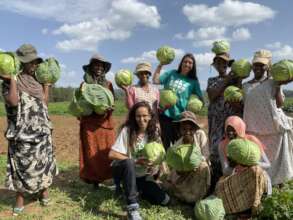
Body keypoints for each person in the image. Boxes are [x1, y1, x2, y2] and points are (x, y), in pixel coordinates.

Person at [1, 44, 58, 215]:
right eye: (30, 62)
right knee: (22, 164)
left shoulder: (37, 82)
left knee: (44, 161)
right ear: (22, 63)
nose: (34, 65)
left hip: (41, 129)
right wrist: (11, 79)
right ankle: (20, 197)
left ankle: (44, 190)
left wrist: (46, 85)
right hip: (22, 132)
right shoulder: (12, 80)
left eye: (35, 62)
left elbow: (44, 104)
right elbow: (13, 102)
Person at [109, 101, 170, 220]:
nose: (141, 119)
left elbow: (160, 153)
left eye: (145, 116)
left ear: (150, 116)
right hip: (123, 171)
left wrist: (156, 164)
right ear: (134, 117)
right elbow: (112, 154)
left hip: (142, 176)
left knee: (164, 200)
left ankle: (134, 190)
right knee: (129, 162)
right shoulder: (127, 131)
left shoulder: (153, 133)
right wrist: (136, 161)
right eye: (138, 116)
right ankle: (133, 207)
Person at [243, 49, 293, 185]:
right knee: (258, 162)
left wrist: (278, 86)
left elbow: (279, 103)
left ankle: (277, 187)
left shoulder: (272, 82)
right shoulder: (245, 86)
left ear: (268, 66)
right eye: (256, 64)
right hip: (253, 131)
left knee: (275, 163)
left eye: (262, 65)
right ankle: (262, 186)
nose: (258, 67)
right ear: (252, 66)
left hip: (272, 129)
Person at [79, 54, 115, 188]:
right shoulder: (84, 85)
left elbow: (112, 102)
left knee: (107, 151)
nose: (99, 68)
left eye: (101, 65)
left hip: (105, 123)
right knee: (91, 152)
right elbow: (80, 102)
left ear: (104, 69)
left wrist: (108, 109)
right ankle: (95, 180)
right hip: (89, 123)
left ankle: (109, 178)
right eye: (96, 65)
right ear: (91, 67)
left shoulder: (108, 84)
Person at [153, 53, 203, 149]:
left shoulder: (193, 81)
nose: (187, 64)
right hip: (165, 116)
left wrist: (193, 106)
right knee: (164, 146)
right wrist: (160, 65)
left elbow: (200, 99)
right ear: (181, 63)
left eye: (190, 63)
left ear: (193, 66)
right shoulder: (172, 73)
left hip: (180, 119)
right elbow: (155, 80)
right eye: (185, 61)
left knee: (180, 147)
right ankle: (165, 164)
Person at [206, 52, 242, 188]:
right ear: (215, 65)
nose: (221, 65)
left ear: (228, 64)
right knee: (215, 149)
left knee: (230, 148)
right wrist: (227, 80)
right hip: (216, 119)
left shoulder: (235, 80)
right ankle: (215, 181)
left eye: (224, 62)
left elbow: (238, 96)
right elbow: (212, 96)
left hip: (229, 120)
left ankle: (230, 183)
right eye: (218, 62)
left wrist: (237, 77)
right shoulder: (212, 80)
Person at [162, 111, 210, 204]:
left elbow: (206, 155)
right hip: (183, 173)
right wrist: (180, 169)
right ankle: (186, 196)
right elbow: (173, 164)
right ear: (180, 130)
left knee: (204, 166)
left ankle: (198, 195)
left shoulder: (200, 135)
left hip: (198, 170)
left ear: (195, 128)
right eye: (184, 129)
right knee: (171, 181)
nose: (187, 132)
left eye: (191, 129)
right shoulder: (177, 144)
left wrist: (194, 163)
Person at [218, 115, 272, 194]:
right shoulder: (222, 145)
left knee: (255, 171)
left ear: (240, 129)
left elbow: (267, 165)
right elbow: (225, 172)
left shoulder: (252, 140)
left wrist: (250, 163)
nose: (230, 133)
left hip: (254, 175)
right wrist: (231, 166)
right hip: (237, 177)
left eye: (234, 130)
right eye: (228, 130)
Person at [215, 141, 268, 220]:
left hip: (242, 208)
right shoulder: (253, 170)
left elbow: (257, 196)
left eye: (230, 157)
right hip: (241, 207)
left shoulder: (255, 172)